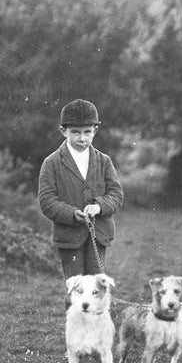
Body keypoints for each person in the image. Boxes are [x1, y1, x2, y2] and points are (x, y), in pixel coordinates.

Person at [38, 99, 124, 279]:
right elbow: (47, 201)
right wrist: (72, 213)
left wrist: (99, 207)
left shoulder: (104, 161)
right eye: (75, 132)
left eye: (87, 132)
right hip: (69, 237)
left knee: (96, 285)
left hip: (98, 234)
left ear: (95, 131)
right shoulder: (51, 163)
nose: (82, 138)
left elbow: (116, 194)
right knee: (75, 286)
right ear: (63, 131)